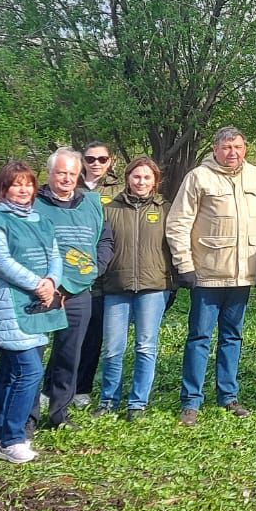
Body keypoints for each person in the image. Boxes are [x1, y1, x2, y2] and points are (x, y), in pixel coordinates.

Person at [167, 126, 256, 424]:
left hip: (242, 275)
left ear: (245, 147)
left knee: (232, 336)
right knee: (199, 337)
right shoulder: (199, 177)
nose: (232, 152)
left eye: (237, 146)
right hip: (207, 274)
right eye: (226, 147)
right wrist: (183, 264)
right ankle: (191, 401)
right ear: (215, 149)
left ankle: (228, 396)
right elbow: (178, 223)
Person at [0, 160, 66, 462]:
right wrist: (37, 284)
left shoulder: (41, 220)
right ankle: (13, 439)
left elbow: (56, 254)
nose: (23, 189)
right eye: (16, 184)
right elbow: (0, 261)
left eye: (27, 183)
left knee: (7, 372)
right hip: (10, 302)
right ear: (3, 188)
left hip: (38, 303)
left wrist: (52, 281)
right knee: (28, 370)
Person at [96, 157, 172, 420]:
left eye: (147, 177)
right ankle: (108, 401)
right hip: (117, 286)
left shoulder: (165, 209)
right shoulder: (109, 208)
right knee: (113, 348)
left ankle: (137, 403)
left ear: (155, 181)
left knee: (145, 347)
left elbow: (173, 246)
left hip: (153, 287)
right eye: (136, 177)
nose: (141, 182)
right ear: (128, 178)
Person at [35, 147, 106, 429]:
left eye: (71, 174)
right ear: (49, 173)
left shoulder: (91, 203)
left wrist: (94, 268)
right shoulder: (34, 203)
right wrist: (50, 283)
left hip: (80, 290)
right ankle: (28, 417)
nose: (66, 178)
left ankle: (58, 415)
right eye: (60, 173)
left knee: (69, 354)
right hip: (42, 290)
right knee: (34, 355)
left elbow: (105, 240)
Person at [73, 141, 120, 405]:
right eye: (91, 159)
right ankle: (54, 386)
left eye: (102, 159)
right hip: (72, 269)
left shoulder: (118, 189)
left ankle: (82, 388)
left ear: (110, 161)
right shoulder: (72, 186)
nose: (96, 164)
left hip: (107, 270)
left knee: (94, 334)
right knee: (67, 335)